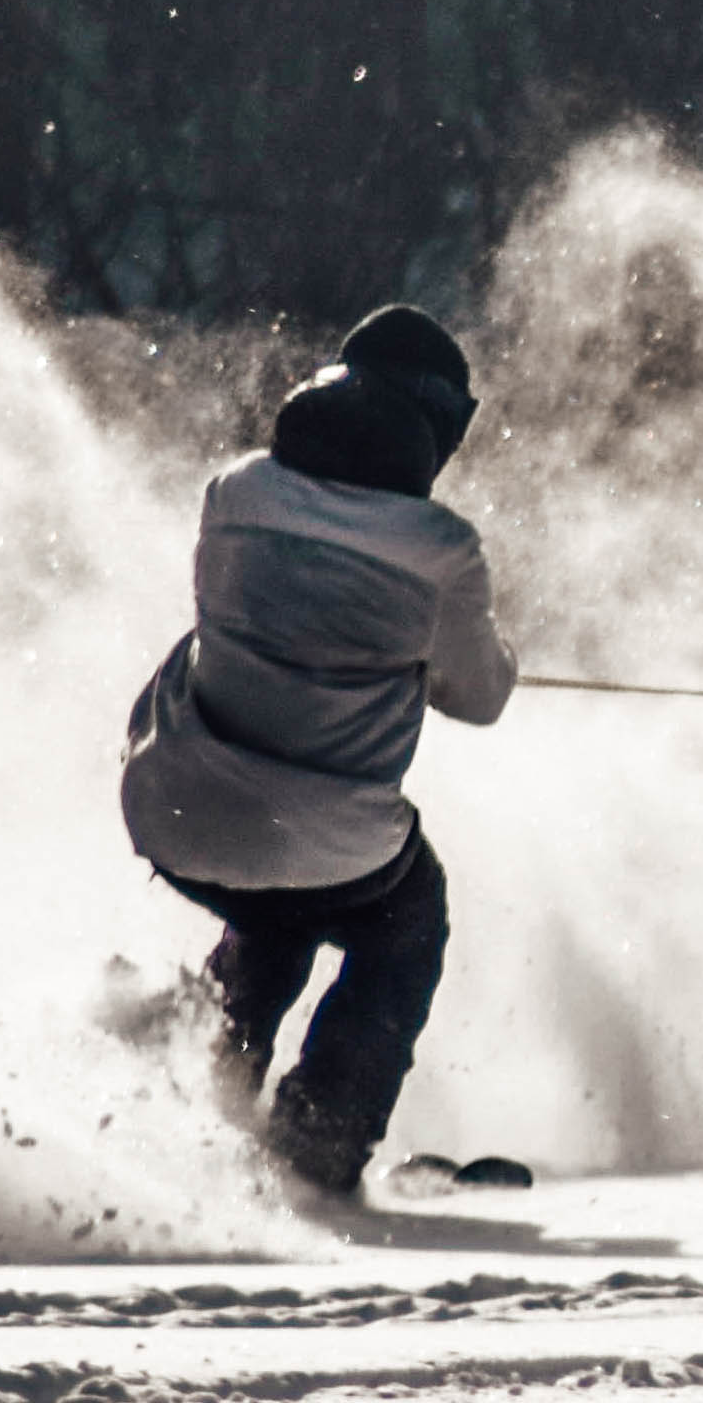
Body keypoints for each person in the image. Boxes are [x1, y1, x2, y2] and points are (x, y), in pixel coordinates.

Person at [119, 306, 513, 1196]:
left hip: (170, 807)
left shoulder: (235, 492)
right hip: (327, 838)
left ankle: (195, 1098)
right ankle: (318, 1143)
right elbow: (478, 697)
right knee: (404, 919)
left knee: (279, 912)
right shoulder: (441, 549)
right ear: (434, 423)